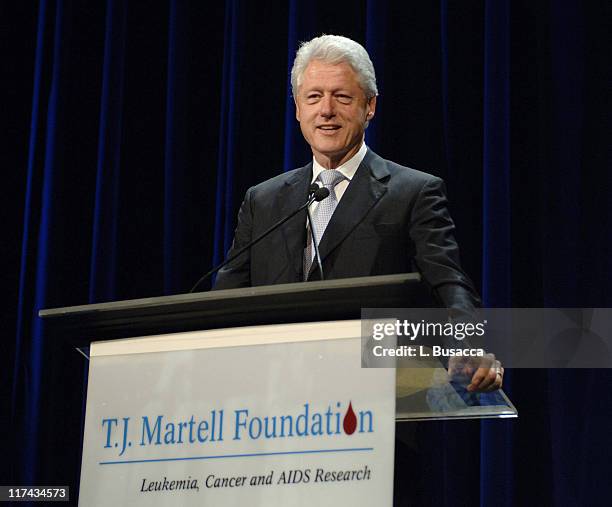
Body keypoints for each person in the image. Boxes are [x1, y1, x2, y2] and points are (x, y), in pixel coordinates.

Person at [213, 34, 503, 393]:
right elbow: (224, 302)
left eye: (342, 97)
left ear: (370, 106)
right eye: (314, 97)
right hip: (274, 405)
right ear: (299, 109)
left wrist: (467, 344)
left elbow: (450, 284)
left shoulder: (413, 192)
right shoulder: (263, 200)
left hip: (375, 400)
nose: (327, 110)